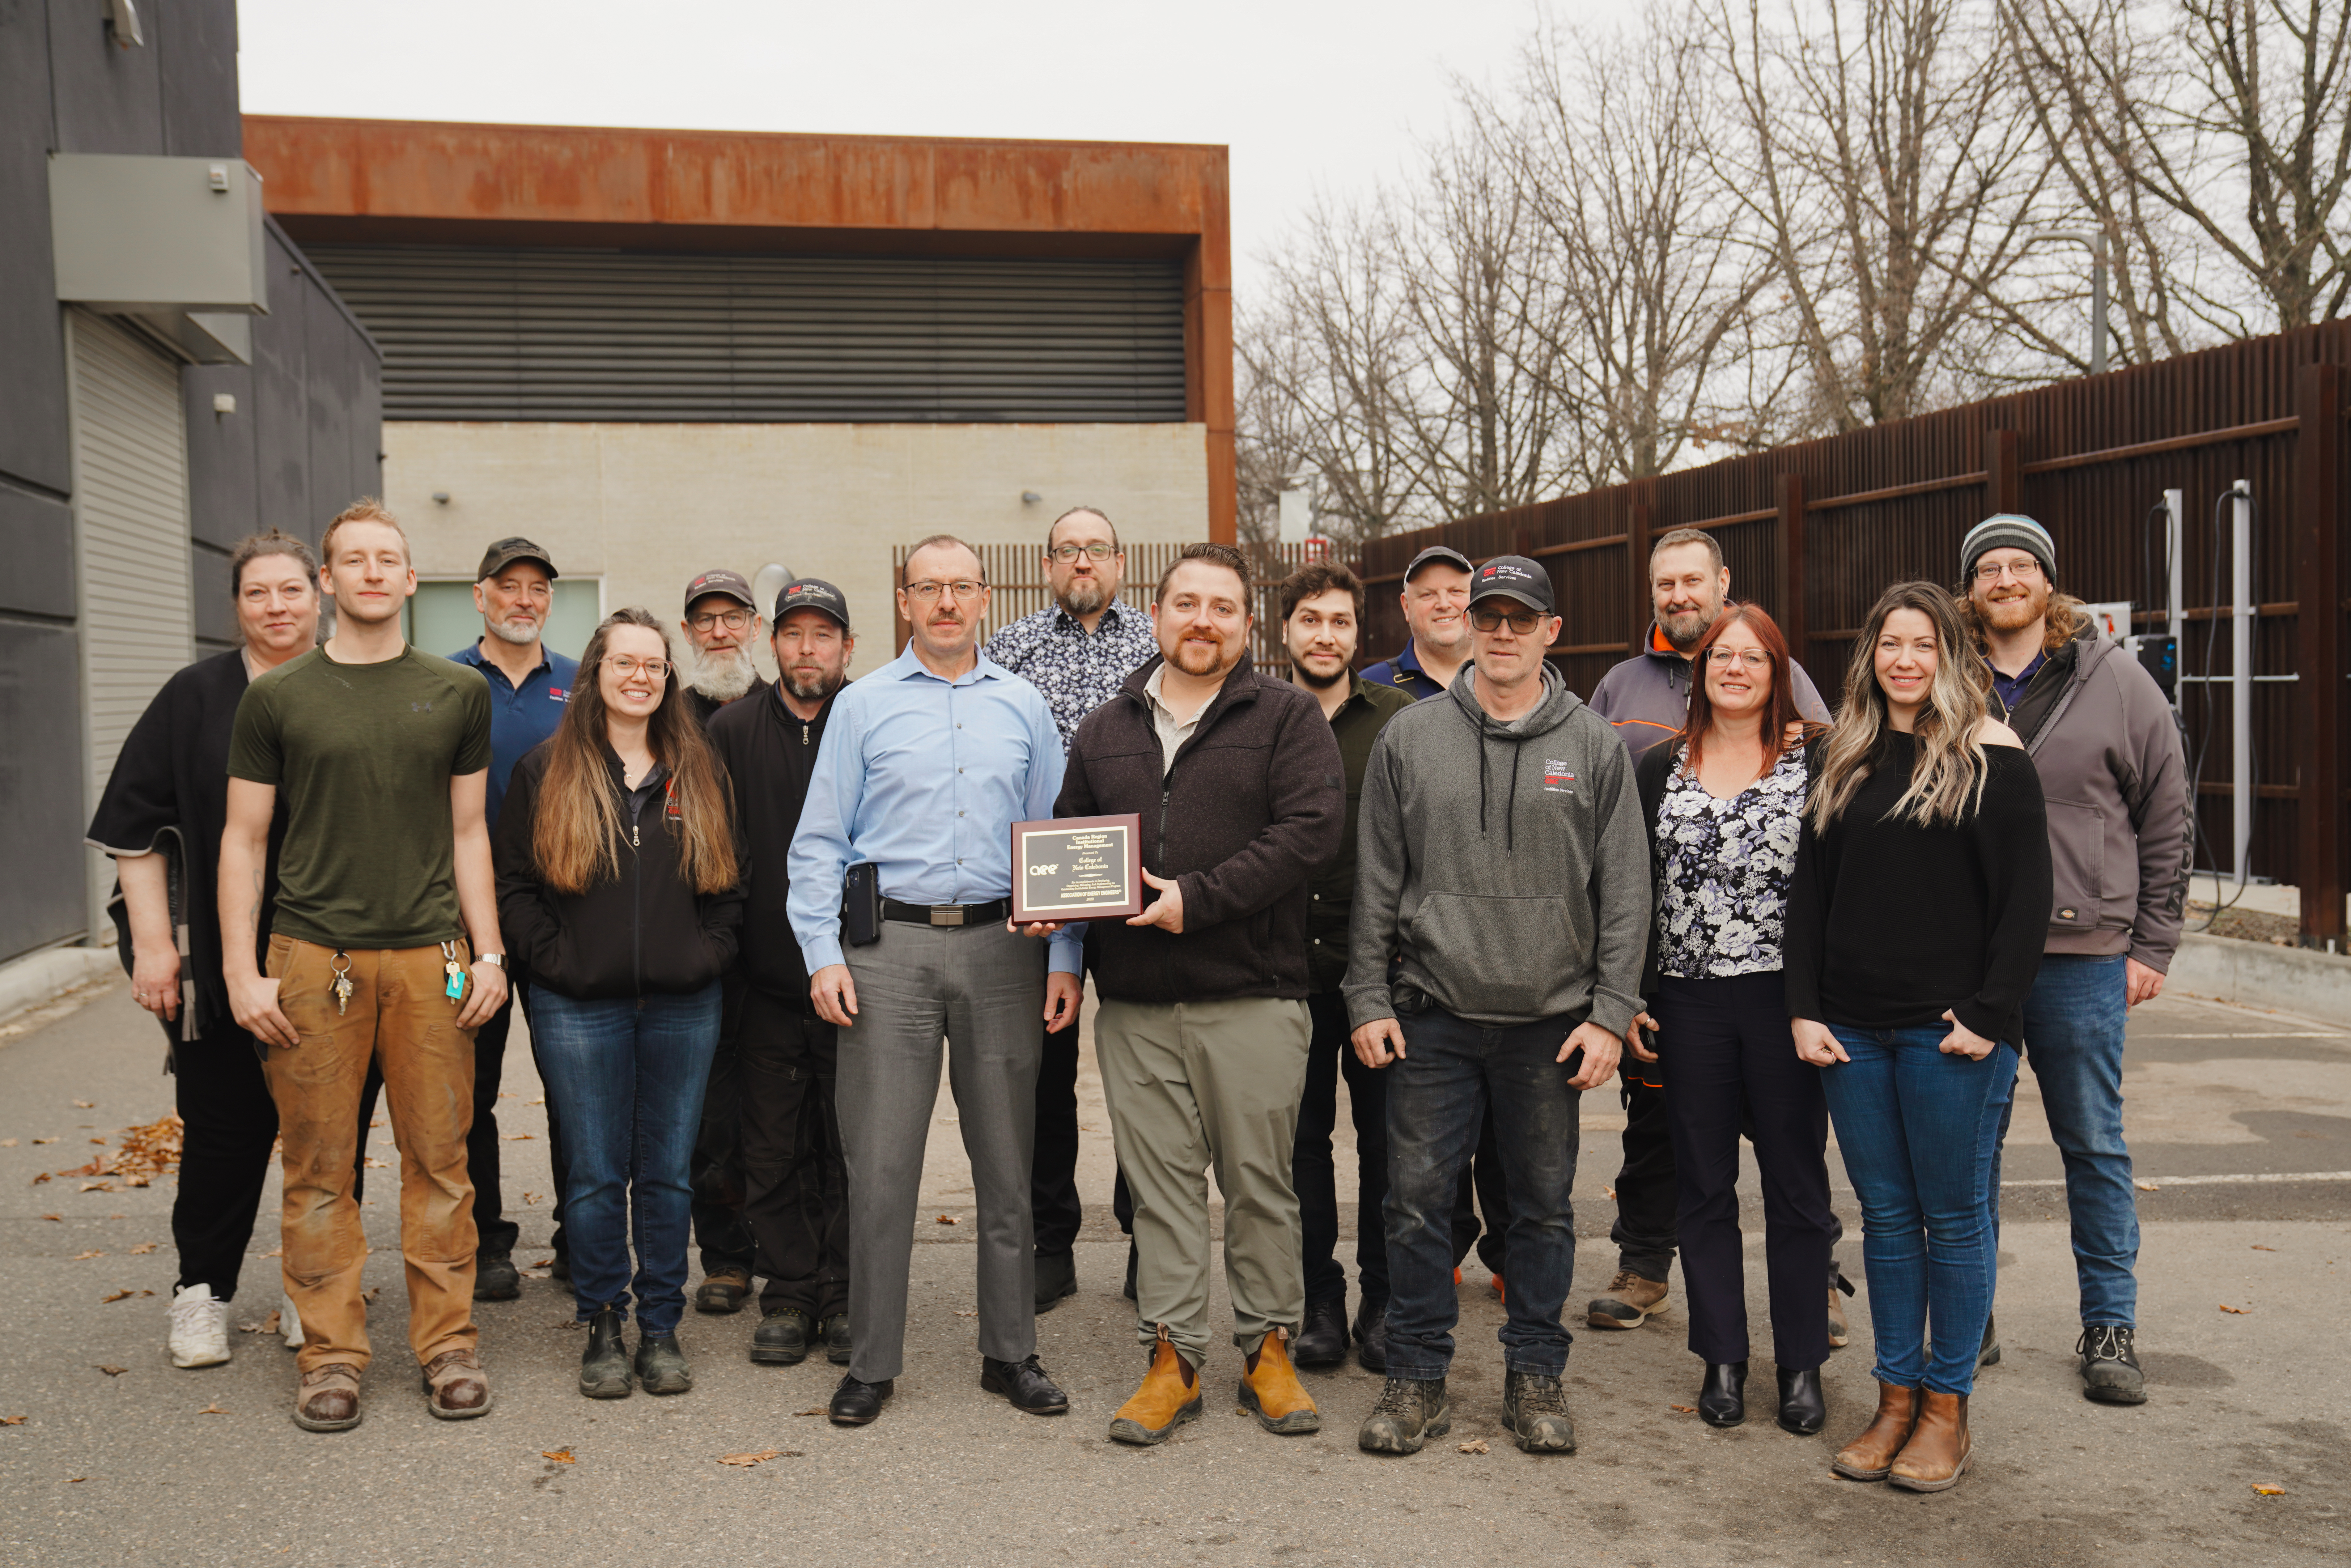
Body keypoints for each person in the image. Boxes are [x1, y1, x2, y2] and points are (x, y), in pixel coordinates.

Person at [1346, 555, 1650, 1456]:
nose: (1504, 632)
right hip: (1433, 1013)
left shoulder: (1593, 743)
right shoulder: (1412, 738)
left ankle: (1534, 1376)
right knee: (1414, 1204)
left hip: (1551, 1024)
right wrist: (1367, 993)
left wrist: (1611, 1013)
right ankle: (1417, 1379)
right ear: (1469, 625)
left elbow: (1629, 890)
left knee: (1543, 1210)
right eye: (1490, 617)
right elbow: (1376, 879)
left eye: (1523, 618)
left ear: (1553, 631)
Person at [220, 499, 509, 1433]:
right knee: (317, 1167)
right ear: (329, 581)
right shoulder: (277, 697)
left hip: (436, 960)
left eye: (390, 558)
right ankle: (332, 1355)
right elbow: (243, 840)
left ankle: (447, 1345)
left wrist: (490, 952)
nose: (374, 572)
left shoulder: (457, 694)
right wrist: (239, 969)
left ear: (411, 578)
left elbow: (470, 833)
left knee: (442, 1161)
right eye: (356, 560)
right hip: (312, 957)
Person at [1048, 542, 1344, 1446]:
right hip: (1134, 1007)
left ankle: (1267, 1349)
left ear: (1247, 625)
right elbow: (1071, 839)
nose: (1203, 621)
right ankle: (1171, 1359)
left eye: (1223, 607)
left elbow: (1310, 833)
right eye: (1187, 604)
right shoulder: (1105, 728)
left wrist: (1194, 902)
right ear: (1158, 615)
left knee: (1261, 1183)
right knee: (1162, 1190)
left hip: (1252, 996)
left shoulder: (1288, 716)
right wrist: (1052, 916)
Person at [788, 534, 1078, 1427]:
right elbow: (818, 842)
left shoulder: (1025, 707)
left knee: (1006, 1165)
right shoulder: (862, 706)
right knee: (878, 1169)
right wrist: (822, 952)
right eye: (929, 588)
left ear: (984, 597)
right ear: (906, 603)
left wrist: (1065, 957)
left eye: (961, 587)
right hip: (890, 957)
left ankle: (1011, 1351)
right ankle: (872, 1362)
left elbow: (1056, 842)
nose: (946, 602)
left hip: (1003, 953)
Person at [1787, 581, 2050, 1494]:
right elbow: (1810, 897)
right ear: (1871, 656)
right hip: (1852, 1030)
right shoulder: (1843, 756)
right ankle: (1894, 1398)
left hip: (1953, 1037)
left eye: (1923, 643)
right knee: (1888, 1221)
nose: (1905, 659)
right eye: (1890, 643)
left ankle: (1947, 1408)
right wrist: (1805, 1007)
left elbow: (2026, 903)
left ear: (1950, 654)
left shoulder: (1992, 755)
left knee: (1954, 1217)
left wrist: (1989, 1014)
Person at [1584, 526, 1840, 1342]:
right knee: (1663, 1141)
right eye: (1665, 584)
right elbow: (1610, 843)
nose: (1678, 595)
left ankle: (1815, 1293)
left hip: (1776, 989)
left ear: (1722, 583)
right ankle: (1650, 1270)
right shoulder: (1620, 689)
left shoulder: (1791, 696)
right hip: (1676, 981)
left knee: (1793, 1156)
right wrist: (1622, 983)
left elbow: (1836, 821)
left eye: (1692, 580)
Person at [1961, 515, 2191, 1403]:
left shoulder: (2119, 682)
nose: (2006, 577)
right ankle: (1971, 1313)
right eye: (1990, 567)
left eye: (2022, 565)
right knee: (1968, 1150)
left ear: (2049, 584)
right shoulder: (1949, 677)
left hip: (2081, 954)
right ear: (1972, 586)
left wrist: (2152, 943)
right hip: (1969, 957)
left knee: (2092, 1142)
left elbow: (2167, 817)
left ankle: (2110, 1326)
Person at [88, 531, 330, 1369]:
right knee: (224, 1129)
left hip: (329, 958)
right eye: (258, 593)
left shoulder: (348, 686)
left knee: (322, 1135)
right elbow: (132, 828)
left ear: (319, 595)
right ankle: (203, 1292)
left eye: (291, 591)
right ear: (237, 604)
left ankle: (315, 1290)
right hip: (220, 966)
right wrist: (154, 946)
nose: (276, 607)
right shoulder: (194, 696)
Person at [494, 608, 745, 1399]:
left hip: (684, 1003)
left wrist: (705, 956)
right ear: (596, 673)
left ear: (668, 680)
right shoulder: (547, 769)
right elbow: (514, 884)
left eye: (655, 666)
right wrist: (557, 961)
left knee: (669, 1174)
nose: (641, 676)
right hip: (578, 1006)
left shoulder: (699, 768)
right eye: (624, 663)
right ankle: (604, 1319)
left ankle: (661, 1326)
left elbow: (732, 885)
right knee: (598, 1175)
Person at [1626, 603, 1834, 1436]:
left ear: (1776, 672)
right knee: (1704, 1185)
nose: (1737, 669)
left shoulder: (1816, 761)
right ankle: (1723, 1357)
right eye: (1722, 657)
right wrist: (1634, 992)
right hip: (1688, 999)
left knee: (1797, 1188)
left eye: (1754, 658)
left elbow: (1835, 888)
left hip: (1785, 1001)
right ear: (1701, 671)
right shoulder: (1659, 767)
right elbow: (1634, 885)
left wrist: (1820, 1002)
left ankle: (1802, 1364)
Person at [981, 506, 1157, 1311]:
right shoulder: (1009, 649)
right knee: (1044, 1076)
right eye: (1067, 551)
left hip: (1139, 886)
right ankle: (1051, 1242)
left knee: (1146, 1068)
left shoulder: (1158, 644)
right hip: (1038, 889)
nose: (1081, 562)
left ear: (1120, 562)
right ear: (1047, 564)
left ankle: (1149, 1235)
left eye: (1096, 549)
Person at [707, 578, 858, 1369]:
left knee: (846, 1139)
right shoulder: (730, 730)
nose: (808, 649)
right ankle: (791, 1290)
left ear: (847, 647)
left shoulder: (871, 721)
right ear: (774, 644)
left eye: (823, 635)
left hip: (856, 977)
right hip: (763, 979)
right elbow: (712, 849)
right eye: (794, 635)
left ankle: (840, 1290)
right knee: (770, 1145)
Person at [1360, 542, 1512, 1292]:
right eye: (1432, 592)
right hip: (1416, 939)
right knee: (1430, 1119)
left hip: (1510, 937)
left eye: (1462, 590)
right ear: (1408, 607)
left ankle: (1511, 1255)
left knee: (1511, 1128)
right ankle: (1440, 1248)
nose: (1448, 602)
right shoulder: (1374, 692)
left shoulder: (1520, 686)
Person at [1277, 562, 1412, 1373]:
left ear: (1359, 635)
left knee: (1389, 1151)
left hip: (1381, 978)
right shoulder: (1253, 717)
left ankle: (1385, 1303)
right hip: (1282, 974)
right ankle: (1317, 1303)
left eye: (1339, 621)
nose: (1324, 635)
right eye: (1309, 619)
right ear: (1284, 630)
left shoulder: (1399, 719)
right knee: (1299, 1151)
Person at [446, 536, 579, 1301]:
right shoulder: (444, 680)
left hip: (564, 918)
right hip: (467, 922)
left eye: (538, 588)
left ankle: (578, 1236)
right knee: (472, 1088)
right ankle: (485, 1239)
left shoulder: (579, 684)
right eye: (510, 586)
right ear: (480, 595)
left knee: (573, 1087)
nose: (524, 599)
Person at [677, 567, 765, 1311]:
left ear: (756, 627)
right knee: (714, 1108)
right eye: (703, 620)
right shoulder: (664, 717)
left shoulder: (793, 704)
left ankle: (795, 1246)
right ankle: (727, 1255)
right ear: (686, 634)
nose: (719, 632)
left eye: (732, 618)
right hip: (695, 940)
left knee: (789, 1102)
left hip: (780, 937)